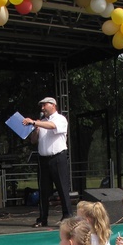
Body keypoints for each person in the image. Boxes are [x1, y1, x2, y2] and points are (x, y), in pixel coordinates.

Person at [22, 97, 73, 228]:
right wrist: (35, 129)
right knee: (43, 190)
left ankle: (67, 217)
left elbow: (52, 126)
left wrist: (35, 122)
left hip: (58, 158)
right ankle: (42, 218)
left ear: (53, 105)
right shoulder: (41, 122)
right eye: (42, 106)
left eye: (44, 105)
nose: (42, 108)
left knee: (62, 188)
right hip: (43, 159)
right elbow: (34, 141)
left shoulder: (60, 119)